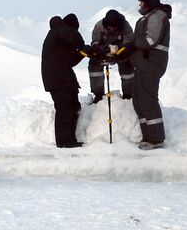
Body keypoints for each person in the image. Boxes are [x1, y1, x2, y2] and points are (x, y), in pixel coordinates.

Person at [131, 0, 172, 150]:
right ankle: (147, 136)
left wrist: (133, 44)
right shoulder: (146, 18)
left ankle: (156, 139)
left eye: (142, 1)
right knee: (139, 100)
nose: (140, 4)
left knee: (148, 99)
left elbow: (150, 40)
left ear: (148, 3)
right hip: (143, 63)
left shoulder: (157, 16)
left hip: (152, 63)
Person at [41, 13, 86, 148]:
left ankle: (70, 139)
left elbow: (69, 61)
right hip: (58, 80)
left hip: (63, 78)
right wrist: (81, 45)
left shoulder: (59, 41)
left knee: (73, 106)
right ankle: (64, 141)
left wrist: (82, 53)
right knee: (64, 109)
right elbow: (74, 37)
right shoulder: (58, 30)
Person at [86, 8, 135, 103]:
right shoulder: (99, 26)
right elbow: (95, 42)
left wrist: (118, 51)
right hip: (103, 52)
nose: (112, 29)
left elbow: (129, 45)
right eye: (109, 27)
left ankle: (128, 94)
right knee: (94, 64)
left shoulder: (126, 27)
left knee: (127, 66)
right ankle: (98, 94)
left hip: (121, 53)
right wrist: (103, 49)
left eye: (114, 27)